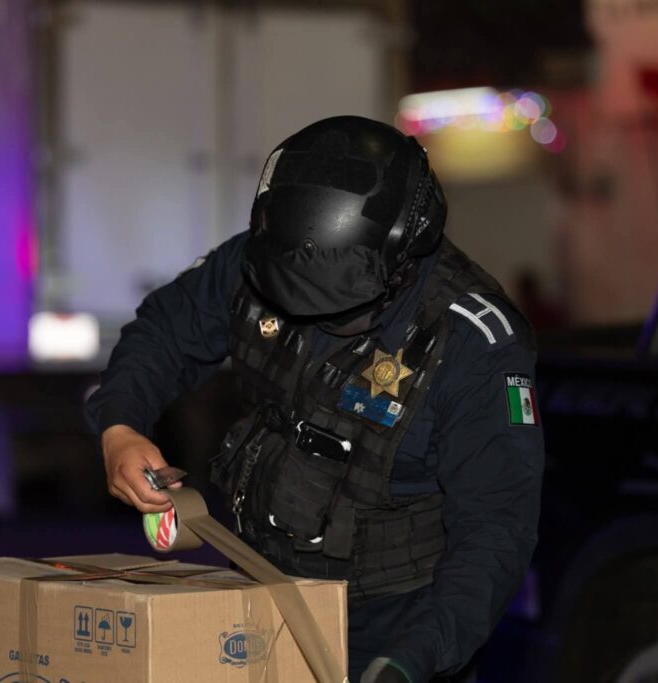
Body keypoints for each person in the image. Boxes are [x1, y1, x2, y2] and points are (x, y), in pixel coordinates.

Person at [84, 116, 544, 682]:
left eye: (339, 310)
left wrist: (413, 660)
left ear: (400, 265)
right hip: (256, 583)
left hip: (395, 622)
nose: (313, 319)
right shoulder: (270, 258)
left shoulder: (473, 344)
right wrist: (120, 428)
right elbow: (164, 331)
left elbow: (496, 529)